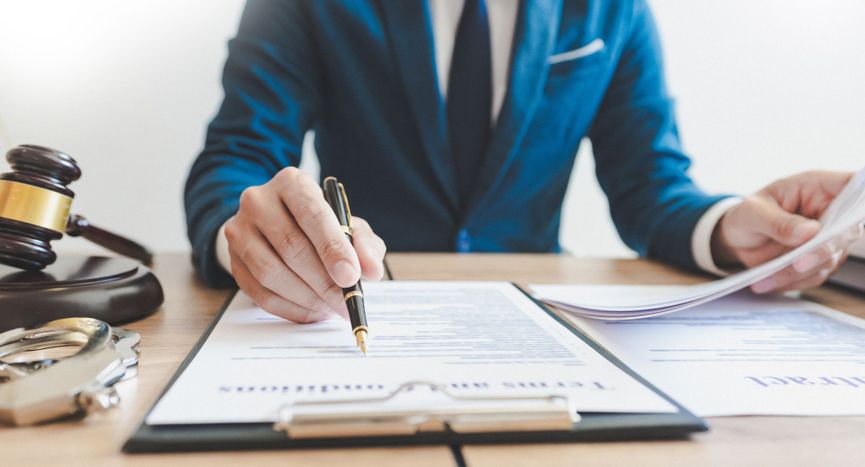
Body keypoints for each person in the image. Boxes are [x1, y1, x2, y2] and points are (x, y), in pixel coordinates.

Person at [184, 0, 862, 322]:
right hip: (362, 305)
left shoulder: (614, 9)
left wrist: (725, 227)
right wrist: (247, 236)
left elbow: (651, 186)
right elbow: (237, 156)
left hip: (536, 317)